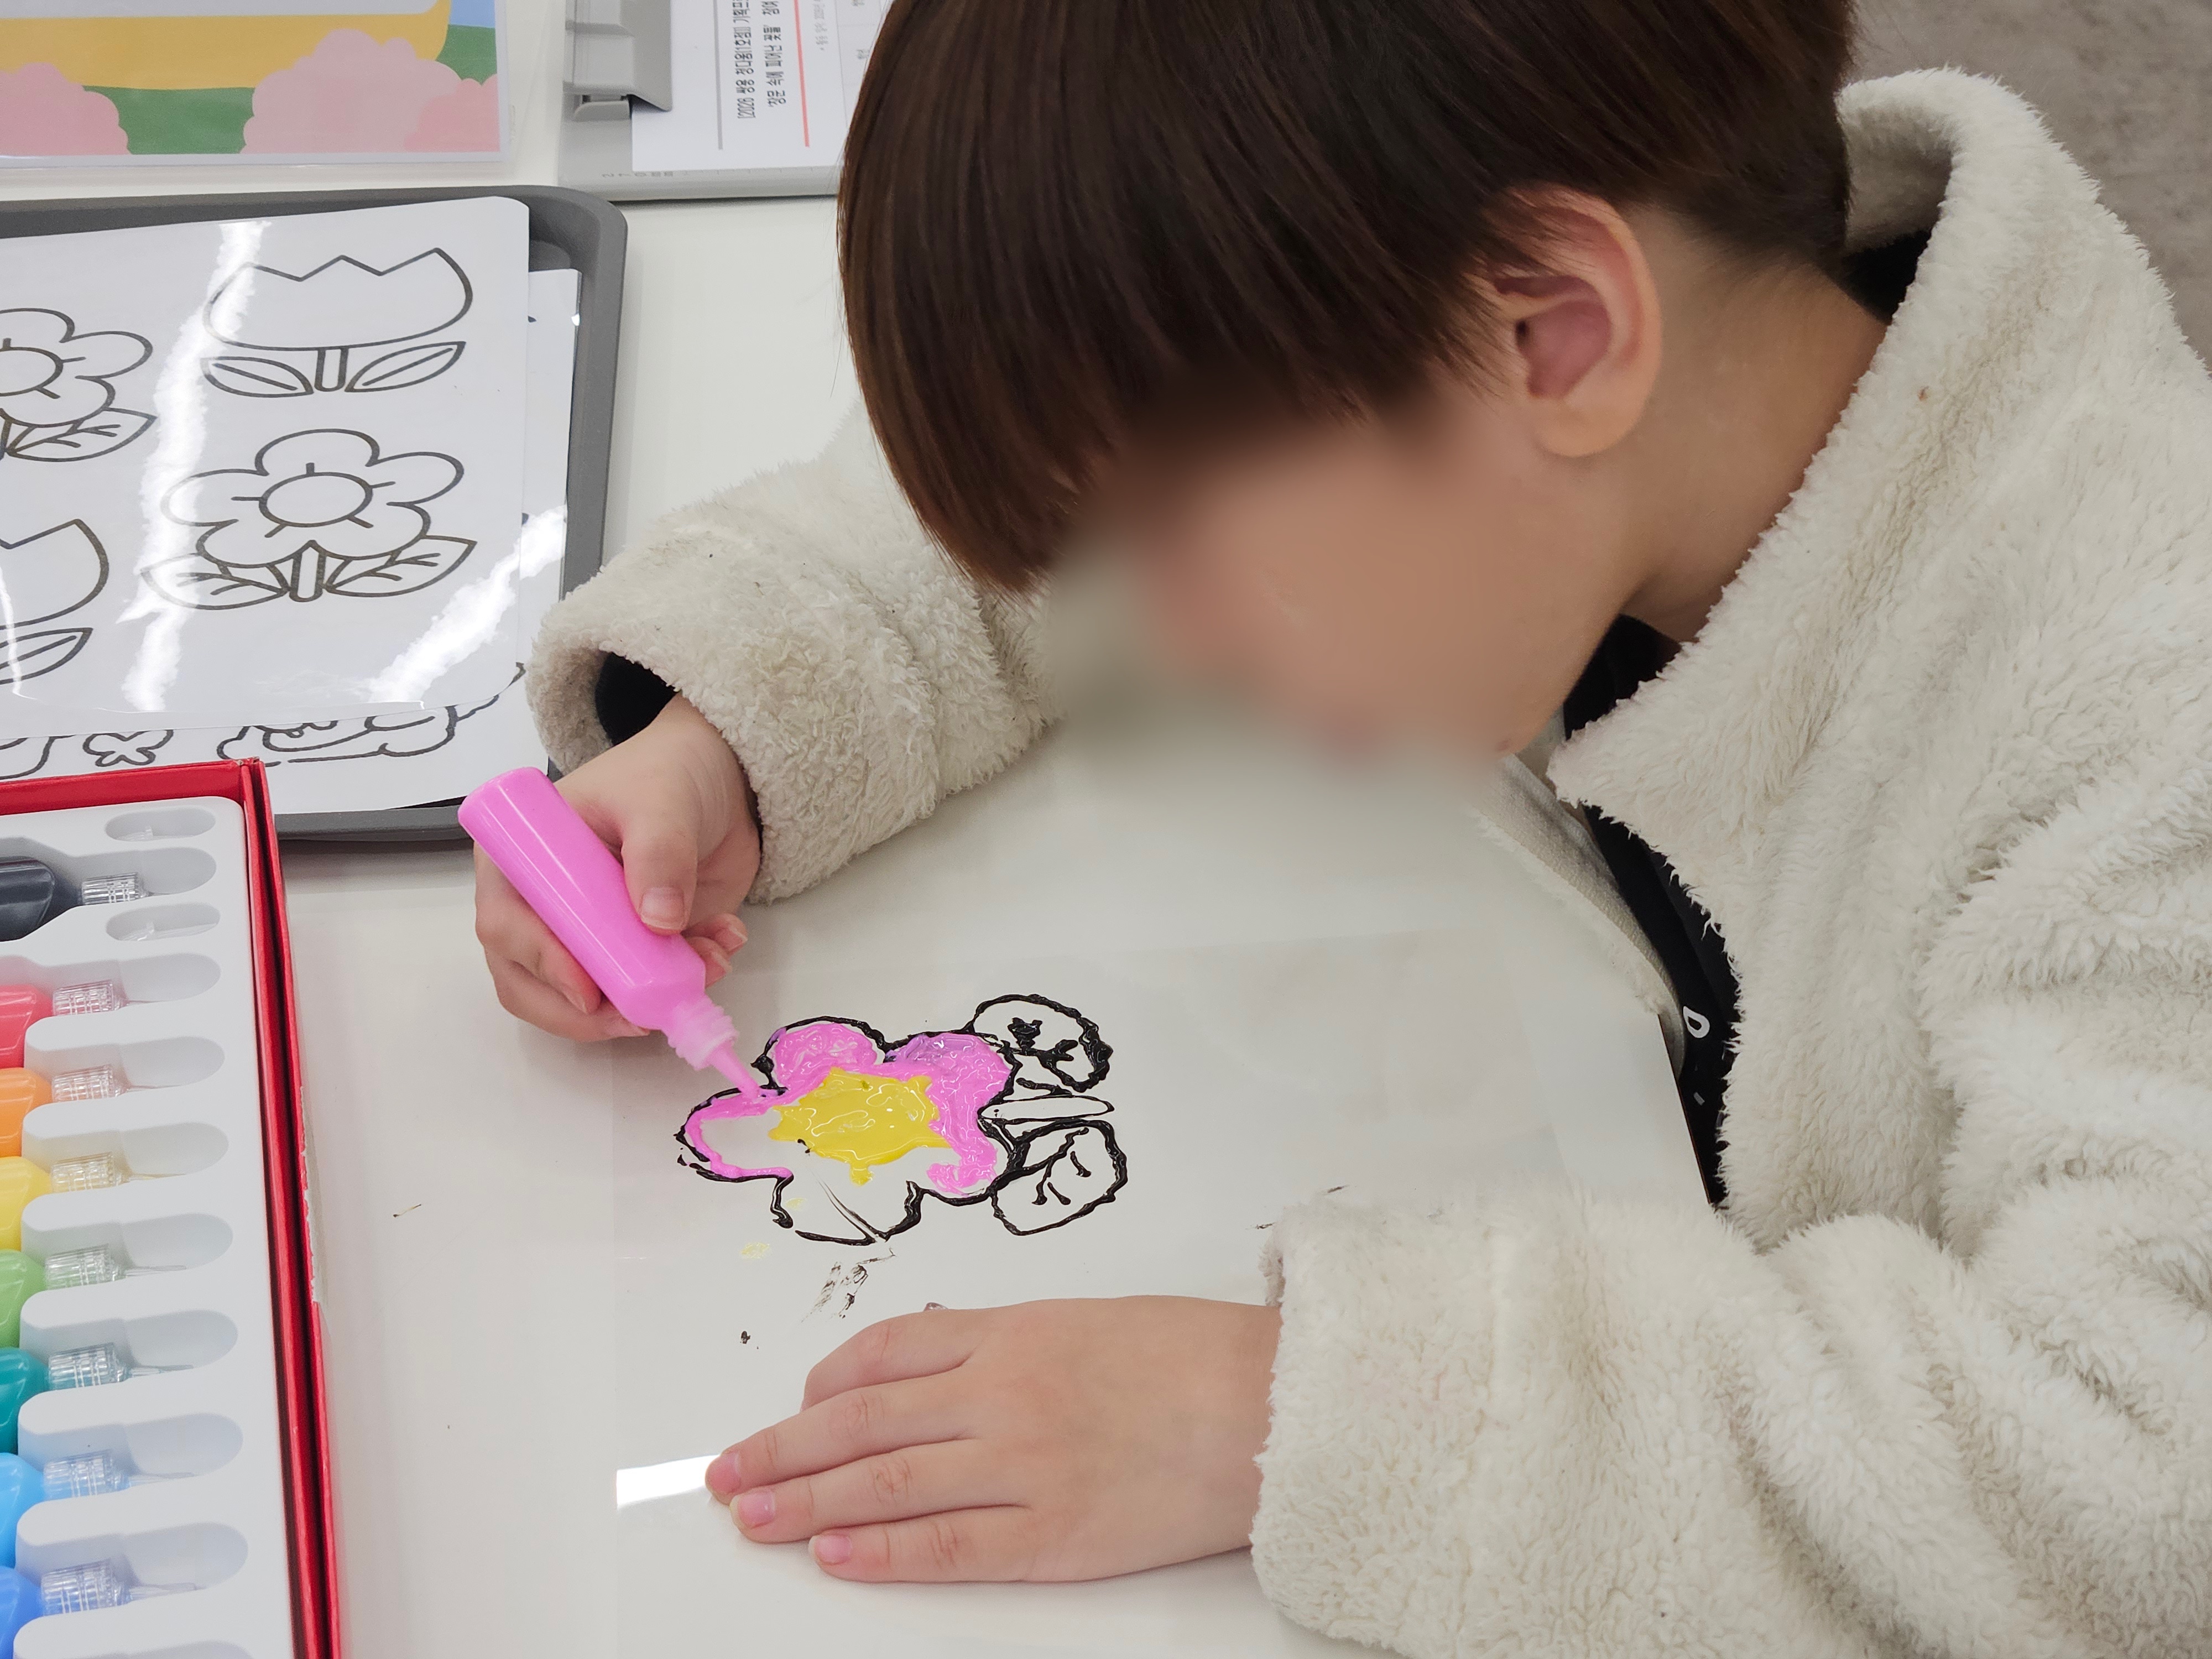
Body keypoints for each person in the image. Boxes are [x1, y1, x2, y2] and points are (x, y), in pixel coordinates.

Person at [476, 0, 2212, 1650]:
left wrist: (1287, 1414)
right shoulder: (1549, 388)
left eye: (1172, 532)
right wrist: (730, 730)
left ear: (1557, 335)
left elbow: (2145, 1495)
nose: (1158, 629)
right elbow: (1079, 456)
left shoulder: (2147, 706)